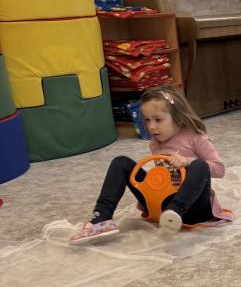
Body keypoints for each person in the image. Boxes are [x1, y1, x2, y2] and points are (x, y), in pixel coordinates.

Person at [69, 85, 232, 244]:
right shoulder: (155, 142)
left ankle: (173, 213)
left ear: (178, 117)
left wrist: (187, 162)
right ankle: (101, 218)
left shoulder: (196, 137)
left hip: (193, 209)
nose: (151, 126)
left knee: (200, 165)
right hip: (161, 205)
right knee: (120, 162)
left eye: (158, 119)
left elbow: (220, 169)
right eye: (147, 120)